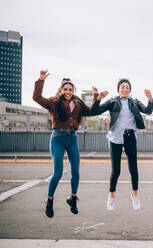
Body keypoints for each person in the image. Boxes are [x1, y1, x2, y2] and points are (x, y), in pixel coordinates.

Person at [33, 70, 106, 218]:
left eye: (70, 90)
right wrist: (41, 80)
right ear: (61, 90)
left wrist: (97, 98)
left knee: (76, 173)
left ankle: (72, 199)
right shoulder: (54, 102)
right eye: (65, 89)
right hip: (58, 138)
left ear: (73, 91)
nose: (68, 92)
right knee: (58, 173)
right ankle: (49, 201)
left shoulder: (78, 102)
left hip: (72, 138)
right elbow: (37, 97)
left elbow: (91, 112)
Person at [90, 79, 153, 211]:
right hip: (115, 137)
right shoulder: (113, 101)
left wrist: (150, 99)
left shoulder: (134, 102)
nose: (125, 89)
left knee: (133, 169)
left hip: (130, 137)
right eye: (122, 87)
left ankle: (135, 195)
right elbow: (95, 111)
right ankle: (111, 195)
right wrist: (98, 98)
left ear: (130, 89)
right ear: (118, 89)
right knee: (116, 171)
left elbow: (148, 110)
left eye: (127, 87)